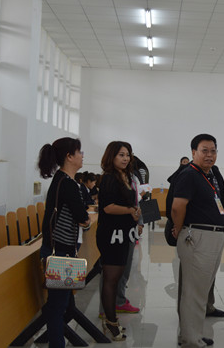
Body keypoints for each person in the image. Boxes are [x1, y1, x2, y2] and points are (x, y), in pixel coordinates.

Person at [172, 134, 224, 347]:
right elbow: (177, 206)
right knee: (194, 292)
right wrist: (179, 228)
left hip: (212, 235)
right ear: (193, 152)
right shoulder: (189, 174)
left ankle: (190, 333)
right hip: (198, 236)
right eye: (204, 150)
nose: (209, 155)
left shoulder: (208, 175)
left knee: (198, 289)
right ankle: (191, 339)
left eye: (213, 151)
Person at [38, 137, 90, 348]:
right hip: (60, 253)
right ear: (69, 156)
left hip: (62, 250)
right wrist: (86, 222)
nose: (82, 156)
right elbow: (82, 216)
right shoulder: (67, 183)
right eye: (79, 152)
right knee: (57, 306)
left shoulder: (64, 180)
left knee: (61, 304)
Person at [96, 141, 142, 341]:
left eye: (128, 155)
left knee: (117, 277)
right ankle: (111, 323)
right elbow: (108, 207)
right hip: (111, 234)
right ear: (111, 156)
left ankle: (112, 319)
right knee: (111, 279)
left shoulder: (126, 176)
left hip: (124, 233)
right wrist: (130, 210)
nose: (125, 158)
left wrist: (136, 212)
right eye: (121, 155)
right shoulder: (108, 177)